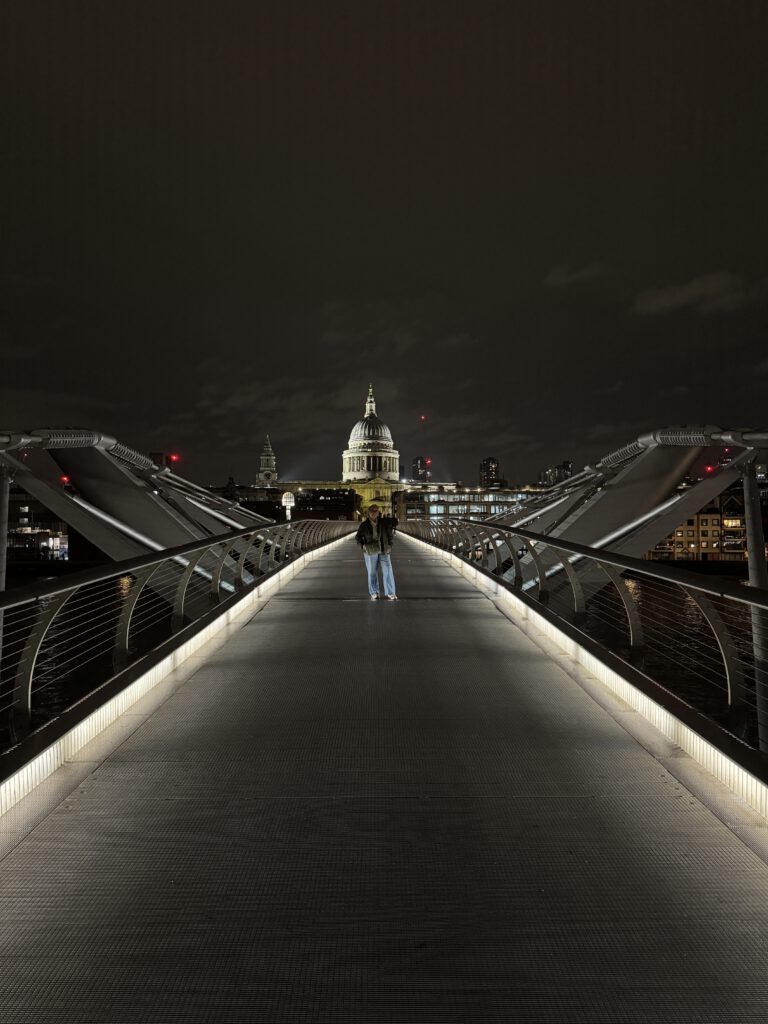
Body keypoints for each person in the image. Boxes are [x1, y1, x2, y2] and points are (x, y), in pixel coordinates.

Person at [355, 504, 398, 600]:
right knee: (372, 572)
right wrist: (363, 546)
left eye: (376, 511)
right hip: (371, 550)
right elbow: (357, 537)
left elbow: (390, 534)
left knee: (388, 571)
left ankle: (391, 592)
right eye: (372, 511)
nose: (374, 513)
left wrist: (390, 545)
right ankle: (374, 592)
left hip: (384, 549)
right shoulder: (364, 525)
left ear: (378, 512)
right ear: (368, 513)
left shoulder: (384, 523)